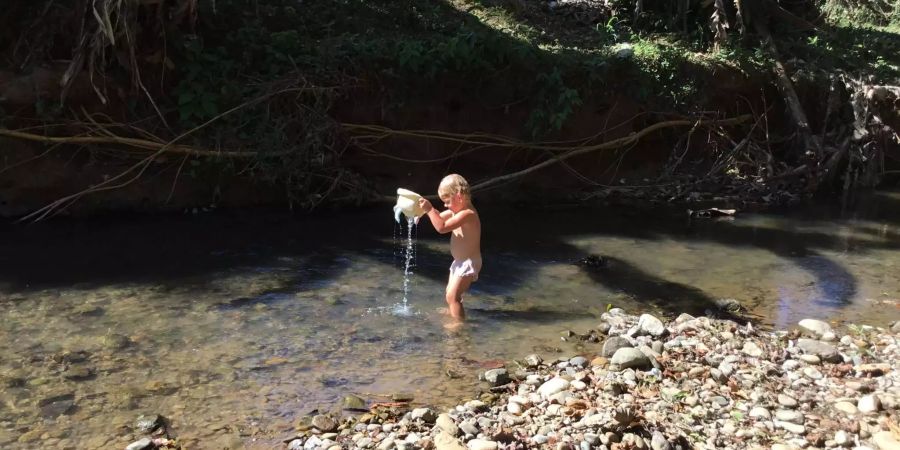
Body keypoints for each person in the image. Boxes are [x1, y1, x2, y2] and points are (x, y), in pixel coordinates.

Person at [417, 174, 482, 323]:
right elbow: (439, 216)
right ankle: (454, 310)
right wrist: (422, 213)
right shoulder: (456, 211)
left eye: (447, 202)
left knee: (453, 296)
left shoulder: (468, 214)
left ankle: (459, 325)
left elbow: (442, 227)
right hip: (460, 261)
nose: (445, 206)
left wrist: (429, 209)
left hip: (469, 262)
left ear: (459, 196)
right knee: (449, 294)